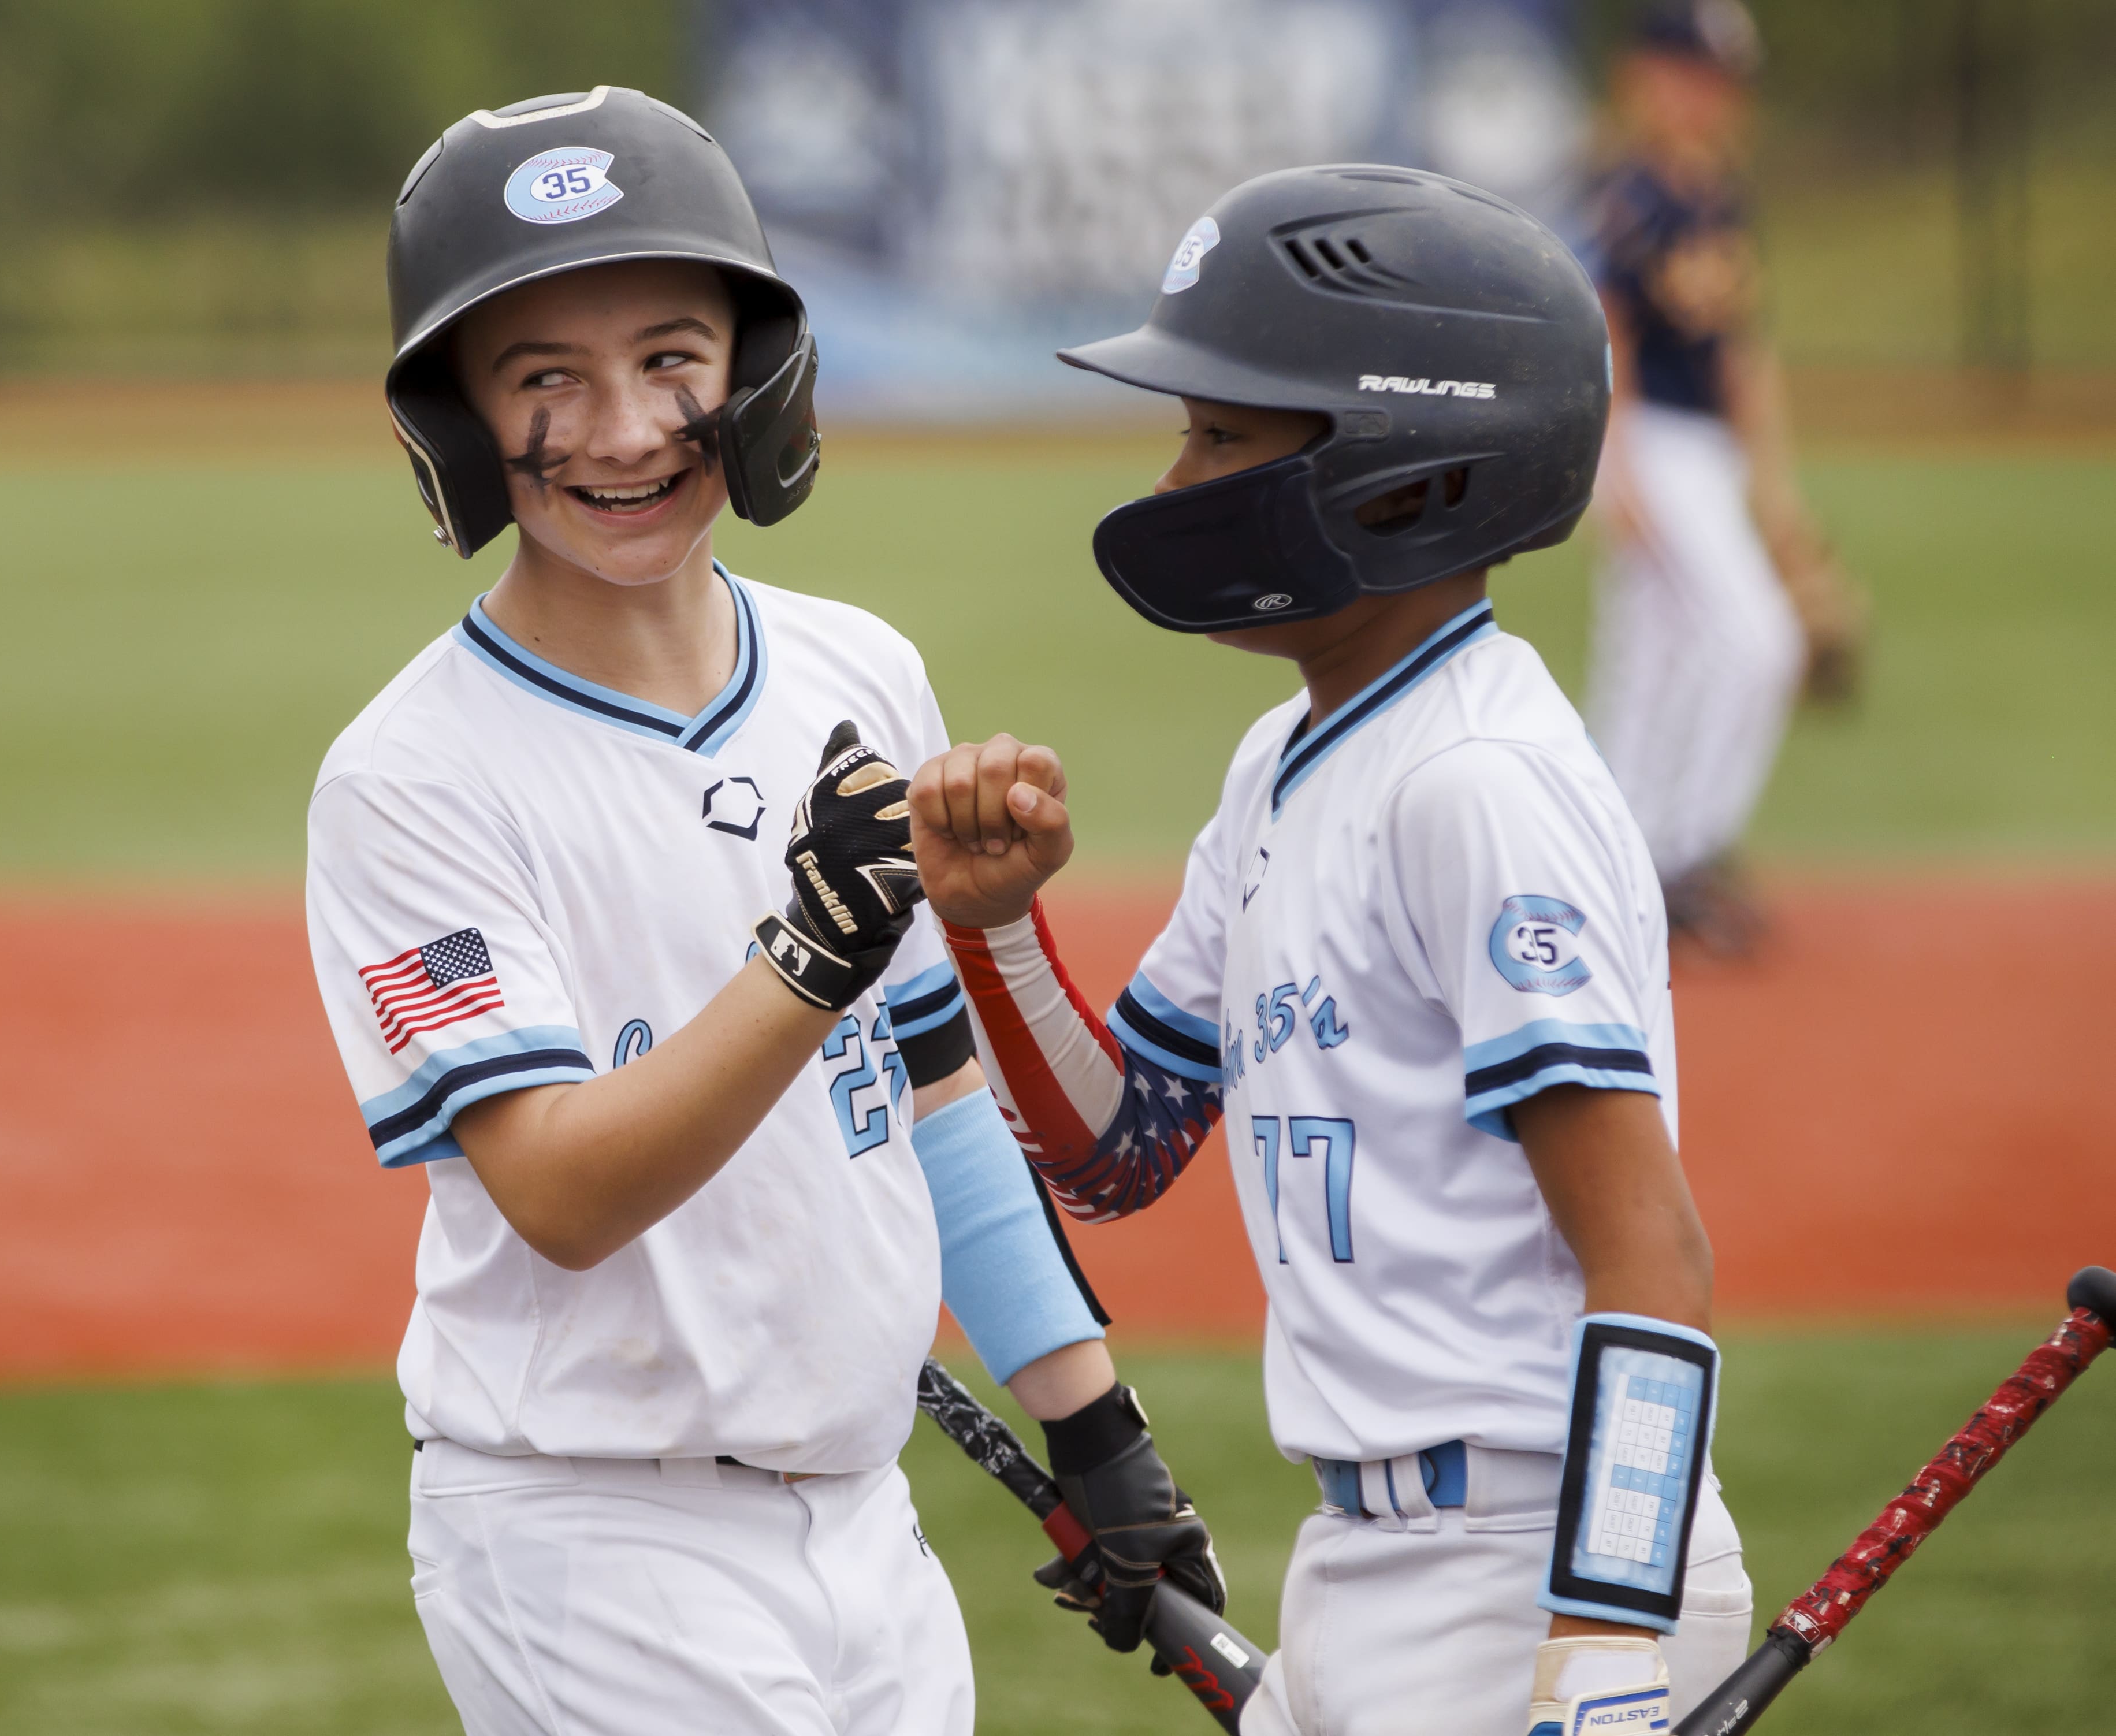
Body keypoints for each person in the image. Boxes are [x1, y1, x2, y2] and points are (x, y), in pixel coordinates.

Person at [305, 88, 1221, 1736]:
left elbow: (930, 1090)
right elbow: (561, 1192)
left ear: (755, 370)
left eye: (671, 357)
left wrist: (1097, 1431)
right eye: (542, 380)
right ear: (454, 423)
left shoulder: (855, 669)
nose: (625, 429)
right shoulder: (411, 777)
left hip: (865, 1523)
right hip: (591, 1533)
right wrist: (807, 954)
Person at [908, 164, 1756, 1735]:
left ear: (1408, 469)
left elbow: (1651, 1253)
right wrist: (993, 925)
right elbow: (1116, 1144)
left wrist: (1602, 1649)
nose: (1176, 480)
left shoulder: (1474, 784)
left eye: (1223, 435)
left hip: (1529, 1568)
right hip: (1369, 1564)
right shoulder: (1290, 758)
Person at [1585, 0, 1865, 955]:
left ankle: (1626, 860)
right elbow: (1606, 335)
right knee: (1753, 641)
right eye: (1696, 74)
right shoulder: (1631, 197)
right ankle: (1678, 853)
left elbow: (1745, 353)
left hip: (1706, 452)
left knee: (1657, 656)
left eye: (1722, 80)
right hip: (1650, 441)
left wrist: (1776, 492)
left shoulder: (1719, 197)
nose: (1712, 96)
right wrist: (1612, 468)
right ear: (1649, 77)